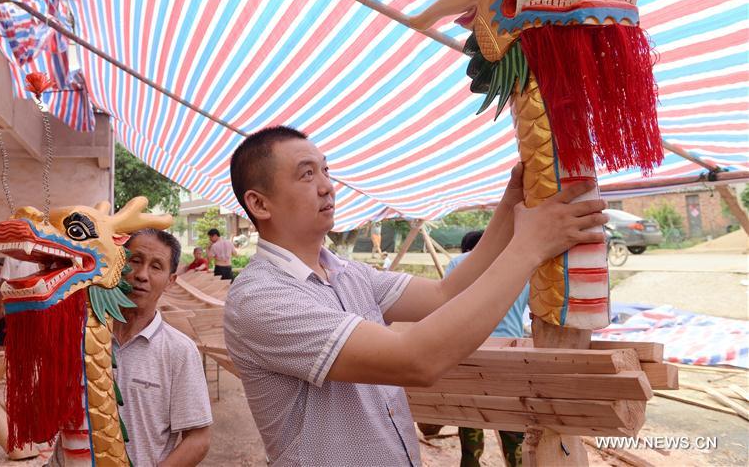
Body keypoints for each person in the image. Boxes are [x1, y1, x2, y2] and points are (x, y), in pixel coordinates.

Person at [223, 126, 607, 466]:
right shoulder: (261, 298)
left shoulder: (347, 272)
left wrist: (510, 204)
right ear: (259, 204)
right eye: (307, 174)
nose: (326, 185)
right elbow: (416, 360)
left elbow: (445, 294)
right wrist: (529, 248)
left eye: (326, 170)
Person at [431, 230, 530, 467]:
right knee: (513, 428)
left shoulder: (458, 264)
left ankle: (471, 460)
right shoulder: (521, 268)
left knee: (470, 421)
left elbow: (446, 308)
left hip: (472, 353)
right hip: (510, 355)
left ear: (468, 249)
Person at [115, 229, 212, 466]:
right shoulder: (85, 335)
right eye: (135, 261)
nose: (141, 275)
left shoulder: (179, 350)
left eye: (156, 266)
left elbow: (198, 439)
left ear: (170, 280)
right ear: (119, 264)